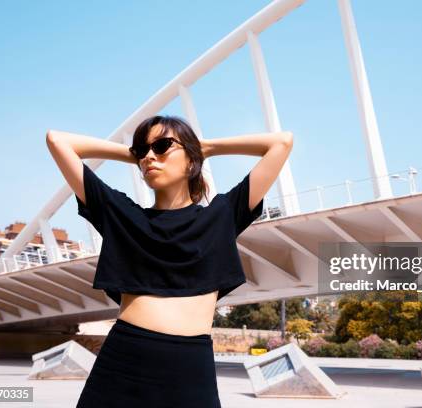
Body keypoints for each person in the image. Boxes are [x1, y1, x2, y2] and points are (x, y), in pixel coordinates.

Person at [45, 115, 293, 407]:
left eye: (162, 146)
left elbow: (281, 142)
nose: (149, 157)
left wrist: (204, 147)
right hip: (123, 362)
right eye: (142, 151)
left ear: (191, 160)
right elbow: (57, 140)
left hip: (191, 369)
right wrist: (135, 155)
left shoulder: (221, 214)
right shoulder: (122, 213)